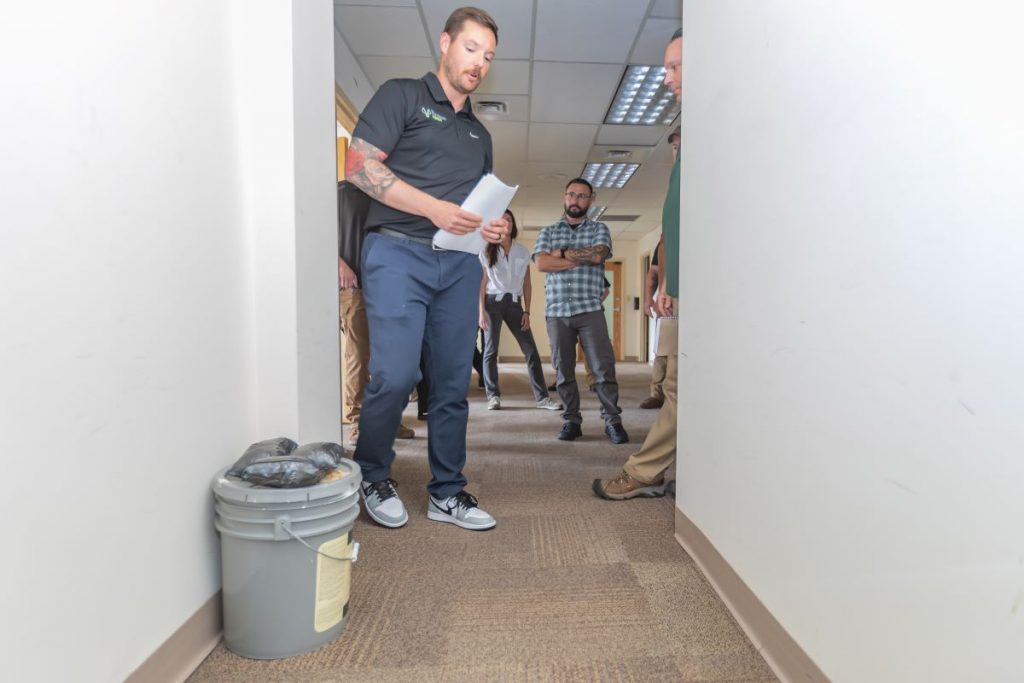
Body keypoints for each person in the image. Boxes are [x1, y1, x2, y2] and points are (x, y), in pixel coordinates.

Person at [345, 7, 508, 531]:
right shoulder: (403, 96)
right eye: (470, 48)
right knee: (395, 375)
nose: (478, 63)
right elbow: (359, 167)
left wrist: (493, 226)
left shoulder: (479, 135)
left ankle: (447, 492)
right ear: (445, 43)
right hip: (397, 251)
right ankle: (371, 473)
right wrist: (432, 208)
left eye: (487, 56)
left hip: (458, 264)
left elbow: (476, 205)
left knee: (451, 383)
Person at [594, 28, 683, 499]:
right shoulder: (685, 158)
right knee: (675, 389)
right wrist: (668, 282)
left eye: (674, 67)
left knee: (680, 391)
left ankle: (646, 470)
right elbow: (677, 232)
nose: (667, 78)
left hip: (704, 293)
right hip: (682, 290)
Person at [534, 178, 629, 445]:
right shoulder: (548, 231)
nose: (576, 200)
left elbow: (599, 255)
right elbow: (541, 263)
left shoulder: (600, 228)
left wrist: (561, 254)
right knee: (563, 370)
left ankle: (613, 421)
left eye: (582, 196)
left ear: (591, 200)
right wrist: (577, 258)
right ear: (564, 197)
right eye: (571, 195)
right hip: (557, 311)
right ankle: (571, 421)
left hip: (590, 309)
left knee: (602, 368)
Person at [337, 180, 415, 443]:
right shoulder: (342, 193)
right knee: (359, 359)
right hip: (356, 285)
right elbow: (312, 230)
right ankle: (358, 423)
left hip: (390, 289)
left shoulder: (391, 195)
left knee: (391, 361)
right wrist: (339, 265)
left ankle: (388, 420)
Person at [479, 209, 561, 411]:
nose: (505, 223)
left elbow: (527, 284)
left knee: (531, 350)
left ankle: (542, 398)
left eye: (509, 220)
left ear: (512, 225)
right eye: (502, 220)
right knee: (490, 351)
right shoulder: (485, 250)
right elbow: (481, 283)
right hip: (492, 303)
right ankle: (493, 396)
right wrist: (480, 311)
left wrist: (527, 311)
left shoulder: (523, 251)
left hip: (515, 304)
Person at [639, 127, 680, 410]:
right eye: (675, 148)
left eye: (680, 146)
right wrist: (653, 295)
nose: (676, 152)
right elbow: (654, 271)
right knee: (665, 349)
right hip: (672, 291)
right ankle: (657, 392)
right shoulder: (674, 190)